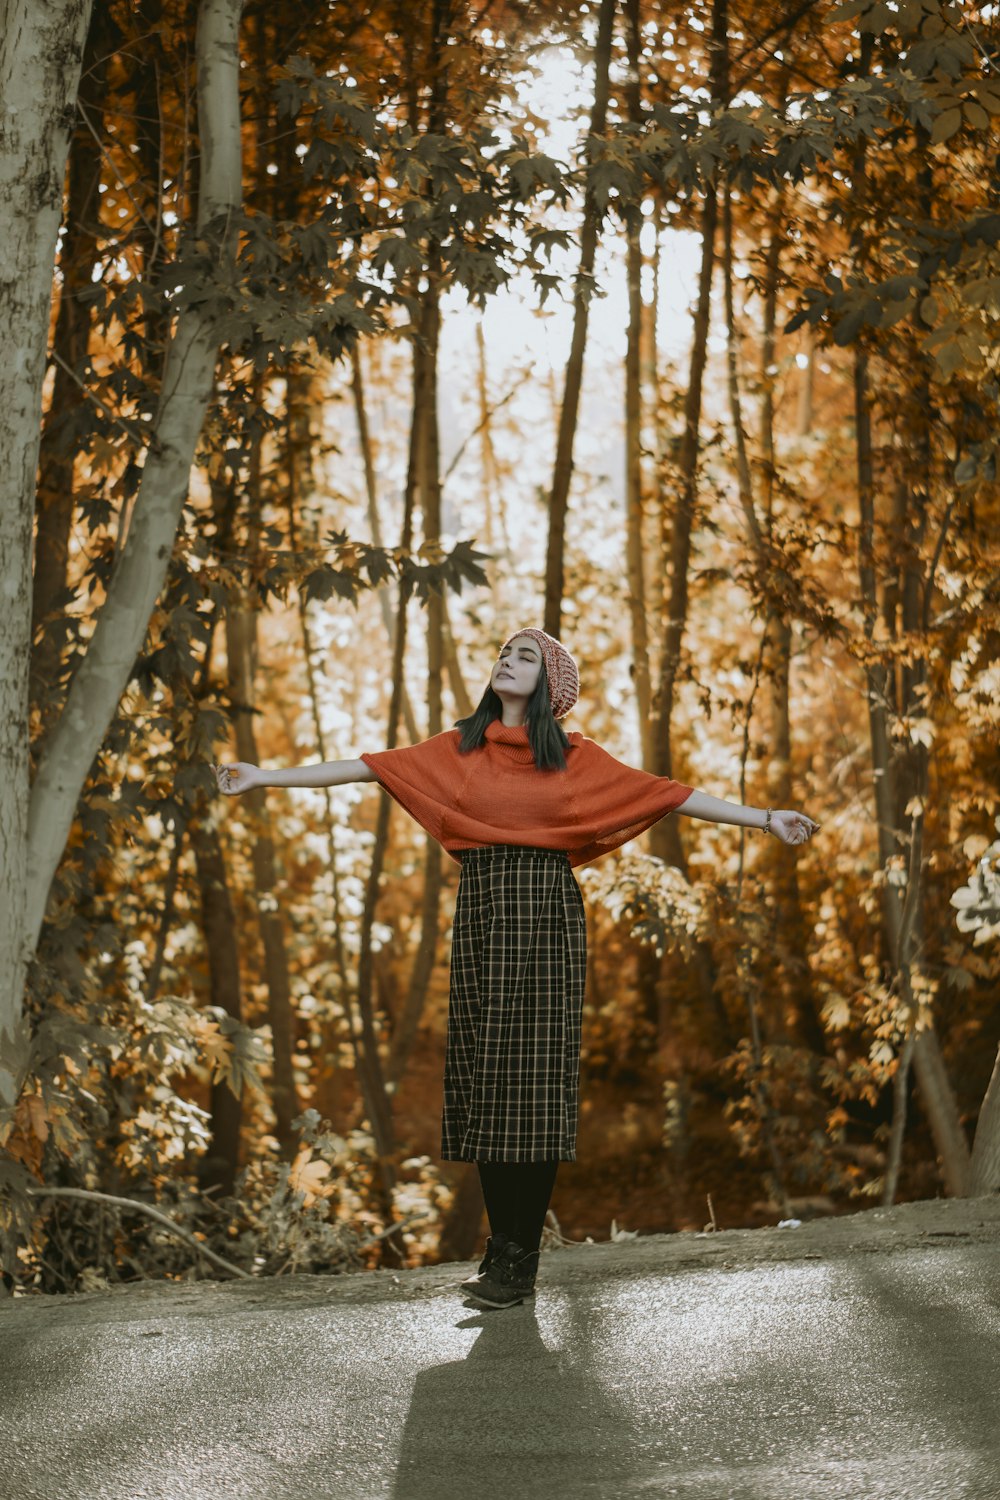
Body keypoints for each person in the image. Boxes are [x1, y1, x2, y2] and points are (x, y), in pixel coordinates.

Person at [215, 627, 819, 1310]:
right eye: (504, 653)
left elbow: (669, 795)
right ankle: (502, 1249)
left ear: (550, 685)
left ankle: (519, 1262)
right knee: (486, 1081)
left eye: (524, 656)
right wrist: (264, 776)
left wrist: (765, 818)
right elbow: (364, 767)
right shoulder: (459, 748)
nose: (507, 661)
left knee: (532, 1084)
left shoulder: (573, 758)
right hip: (481, 917)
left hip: (545, 919)